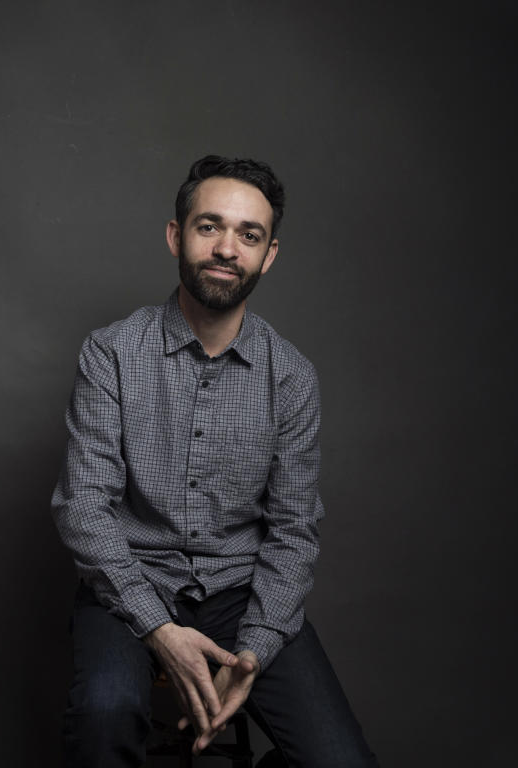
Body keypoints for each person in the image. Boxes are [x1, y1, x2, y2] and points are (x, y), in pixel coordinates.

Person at [52, 155, 378, 767]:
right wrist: (160, 630)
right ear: (177, 236)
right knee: (103, 717)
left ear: (268, 254)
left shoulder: (293, 378)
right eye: (210, 227)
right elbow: (84, 509)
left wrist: (253, 651)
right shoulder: (112, 354)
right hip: (127, 584)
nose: (228, 248)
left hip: (241, 592)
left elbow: (293, 531)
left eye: (248, 235)